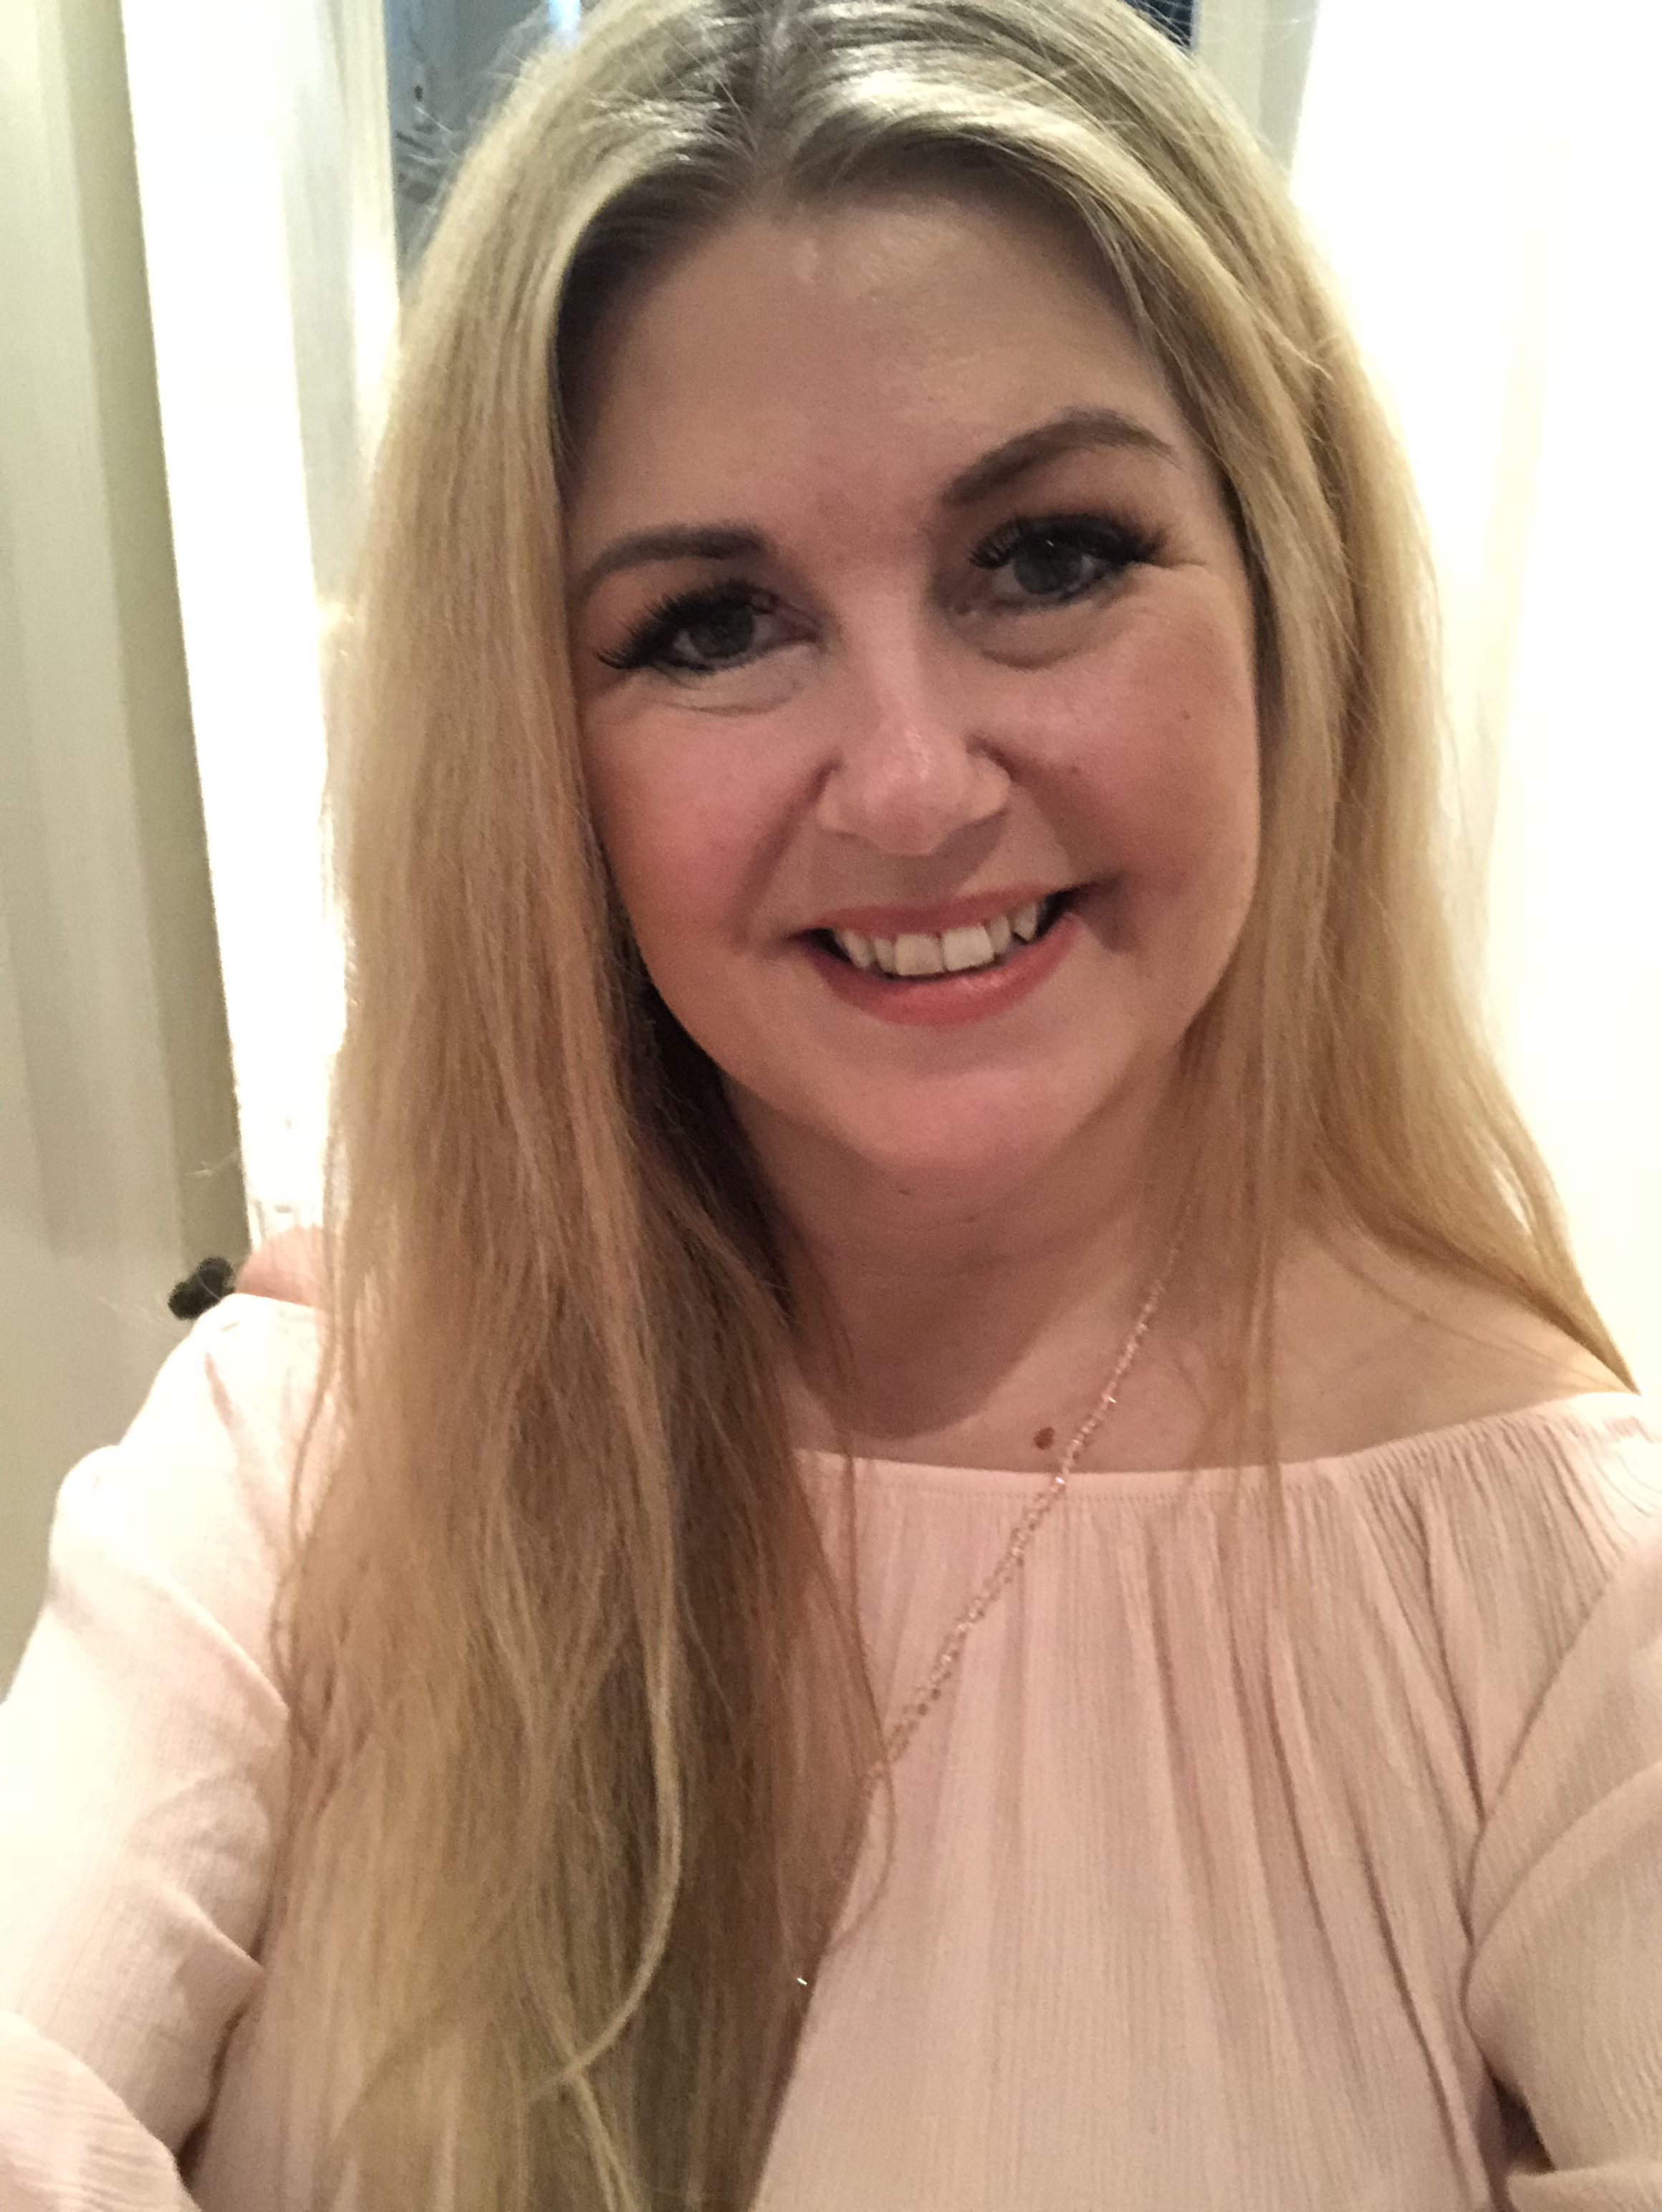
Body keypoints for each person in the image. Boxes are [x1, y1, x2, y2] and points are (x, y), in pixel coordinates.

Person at [2, 0, 1658, 2204]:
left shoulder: (1561, 1600)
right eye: (710, 627)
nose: (907, 783)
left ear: (1294, 601)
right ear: (540, 757)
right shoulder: (301, 1465)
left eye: (1048, 557)